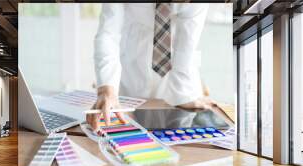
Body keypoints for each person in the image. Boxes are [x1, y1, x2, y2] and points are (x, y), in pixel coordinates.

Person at [87, 3, 217, 130]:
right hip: (131, 76)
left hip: (181, 80)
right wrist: (106, 88)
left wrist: (185, 96)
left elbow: (187, 44)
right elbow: (108, 34)